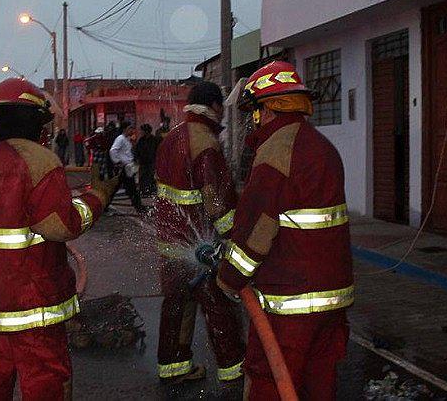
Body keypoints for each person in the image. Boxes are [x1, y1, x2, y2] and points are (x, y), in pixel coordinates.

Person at [0, 78, 118, 400]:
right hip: (33, 306)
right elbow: (61, 226)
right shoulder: (39, 160)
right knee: (45, 382)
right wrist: (98, 197)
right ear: (33, 119)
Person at [216, 61, 354, 400]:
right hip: (334, 300)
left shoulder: (276, 152)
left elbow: (254, 234)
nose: (253, 120)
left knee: (270, 382)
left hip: (289, 303)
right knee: (319, 382)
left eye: (255, 111)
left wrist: (228, 279)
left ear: (268, 109)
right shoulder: (323, 147)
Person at [152, 81, 245, 385]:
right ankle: (234, 368)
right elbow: (217, 202)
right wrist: (232, 237)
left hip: (171, 242)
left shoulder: (171, 138)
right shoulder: (204, 140)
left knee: (177, 303)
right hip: (201, 245)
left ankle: (173, 366)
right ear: (215, 106)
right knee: (217, 305)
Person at [110, 121, 146, 213]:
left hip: (128, 168)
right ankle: (139, 207)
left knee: (129, 188)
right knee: (129, 188)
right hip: (124, 168)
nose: (132, 130)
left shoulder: (127, 139)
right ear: (125, 129)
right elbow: (113, 150)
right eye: (130, 128)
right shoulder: (120, 138)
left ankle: (138, 206)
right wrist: (118, 162)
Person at [134, 123, 160, 196]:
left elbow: (157, 150)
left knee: (150, 176)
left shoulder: (154, 139)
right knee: (142, 176)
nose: (141, 132)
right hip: (143, 162)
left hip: (151, 162)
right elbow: (137, 150)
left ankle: (150, 190)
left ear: (146, 131)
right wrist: (137, 158)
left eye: (142, 131)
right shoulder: (141, 140)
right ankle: (143, 190)